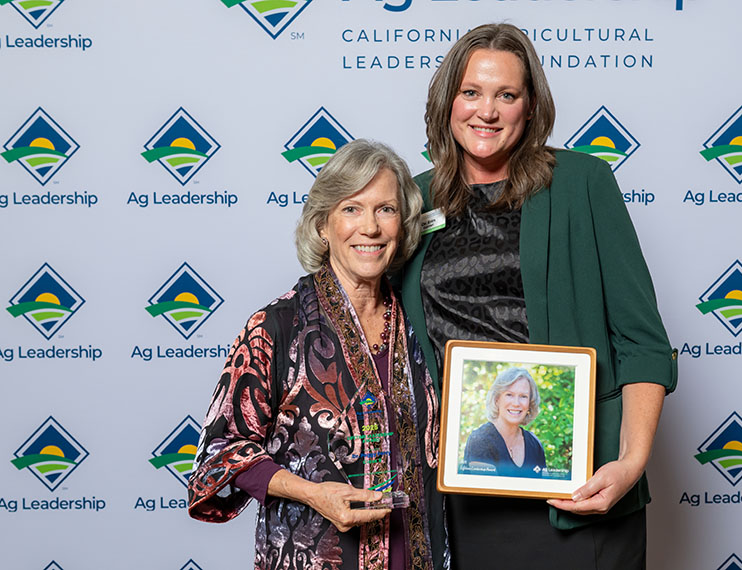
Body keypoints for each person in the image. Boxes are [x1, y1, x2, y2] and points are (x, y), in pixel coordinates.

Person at [400, 23, 677, 569]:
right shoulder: (413, 197)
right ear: (446, 101)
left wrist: (631, 461)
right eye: (471, 92)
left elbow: (642, 341)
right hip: (461, 493)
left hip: (580, 490)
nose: (487, 111)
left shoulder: (583, 183)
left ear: (530, 107)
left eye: (507, 94)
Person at [187, 139, 448, 570]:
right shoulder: (277, 326)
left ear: (403, 225)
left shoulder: (421, 324)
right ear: (323, 226)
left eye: (386, 209)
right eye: (351, 209)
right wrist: (312, 492)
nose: (370, 227)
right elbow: (221, 451)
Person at [463, 367, 546, 478]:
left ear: (530, 403)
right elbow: (487, 492)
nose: (516, 403)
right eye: (509, 395)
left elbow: (543, 488)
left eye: (523, 396)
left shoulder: (535, 444)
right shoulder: (480, 440)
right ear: (497, 399)